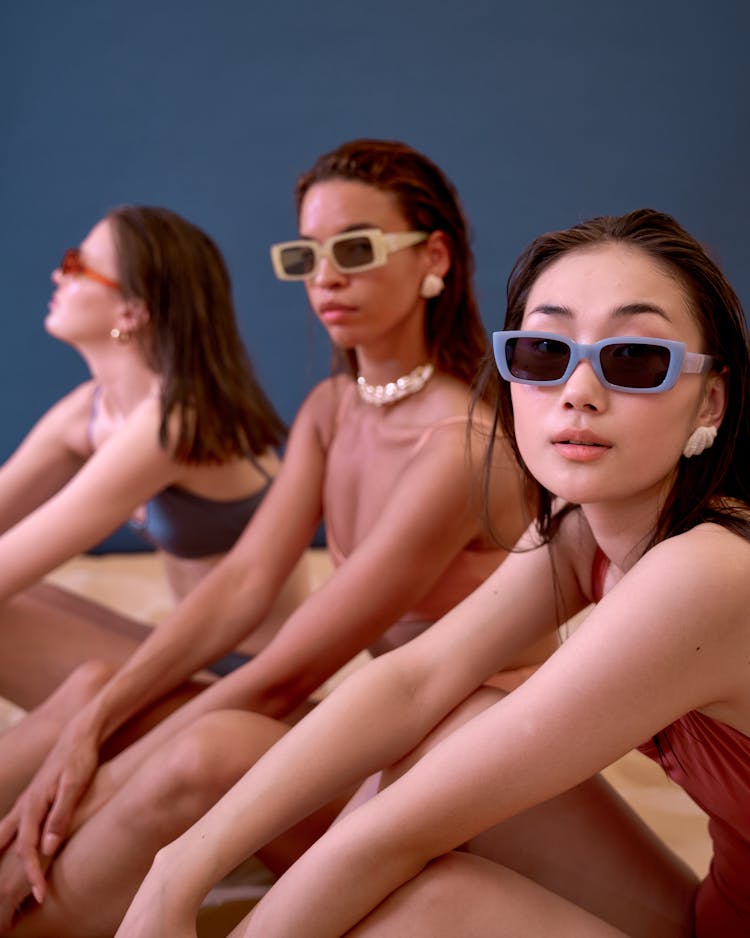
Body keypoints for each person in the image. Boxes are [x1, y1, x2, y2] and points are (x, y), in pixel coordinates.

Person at [117, 208, 749, 938]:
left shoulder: (707, 573)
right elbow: (414, 681)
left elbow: (393, 833)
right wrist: (180, 866)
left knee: (420, 901)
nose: (577, 390)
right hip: (718, 910)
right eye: (544, 351)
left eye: (634, 359)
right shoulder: (585, 532)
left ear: (709, 400)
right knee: (458, 718)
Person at [0, 140, 543, 935]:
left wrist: (97, 770)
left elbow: (286, 676)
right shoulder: (331, 408)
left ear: (434, 257)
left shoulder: (460, 448)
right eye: (307, 255)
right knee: (96, 698)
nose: (326, 277)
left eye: (355, 249)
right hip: (388, 735)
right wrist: (91, 725)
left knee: (199, 752)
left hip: (477, 775)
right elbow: (245, 582)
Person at [0, 204, 295, 753]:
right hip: (182, 650)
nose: (57, 275)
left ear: (133, 311)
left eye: (75, 264)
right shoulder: (91, 411)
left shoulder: (174, 422)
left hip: (247, 676)